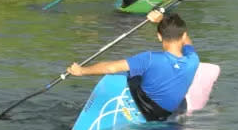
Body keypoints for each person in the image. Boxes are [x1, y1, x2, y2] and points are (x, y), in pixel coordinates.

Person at [66, 12, 199, 121]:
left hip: (146, 108)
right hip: (168, 112)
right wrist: (162, 20)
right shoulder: (193, 59)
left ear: (159, 36)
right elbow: (187, 43)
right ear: (184, 35)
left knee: (127, 73)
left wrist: (82, 71)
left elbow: (110, 68)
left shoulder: (149, 58)